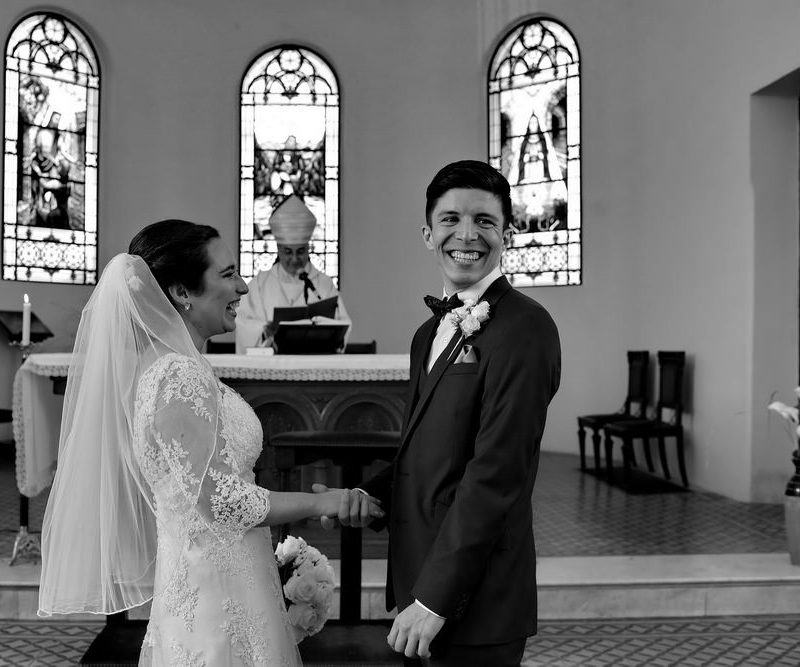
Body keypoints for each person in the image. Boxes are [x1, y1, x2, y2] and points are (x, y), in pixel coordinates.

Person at [37, 219, 383, 666]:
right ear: (182, 292)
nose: (241, 285)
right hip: (215, 593)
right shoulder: (178, 375)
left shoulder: (167, 365)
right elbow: (218, 501)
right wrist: (323, 502)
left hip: (214, 579)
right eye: (227, 275)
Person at [330, 160, 561, 665]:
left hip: (473, 595)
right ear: (427, 232)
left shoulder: (526, 328)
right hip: (422, 579)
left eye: (485, 221)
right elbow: (434, 449)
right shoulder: (426, 335)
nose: (467, 235)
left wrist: (436, 597)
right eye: (451, 219)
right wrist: (373, 493)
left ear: (507, 235)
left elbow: (498, 472)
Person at [235, 195, 352, 352]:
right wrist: (264, 330)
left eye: (301, 251)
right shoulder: (260, 284)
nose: (295, 259)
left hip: (315, 363)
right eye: (288, 252)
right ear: (279, 250)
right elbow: (243, 322)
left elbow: (343, 324)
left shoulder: (323, 284)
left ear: (308, 249)